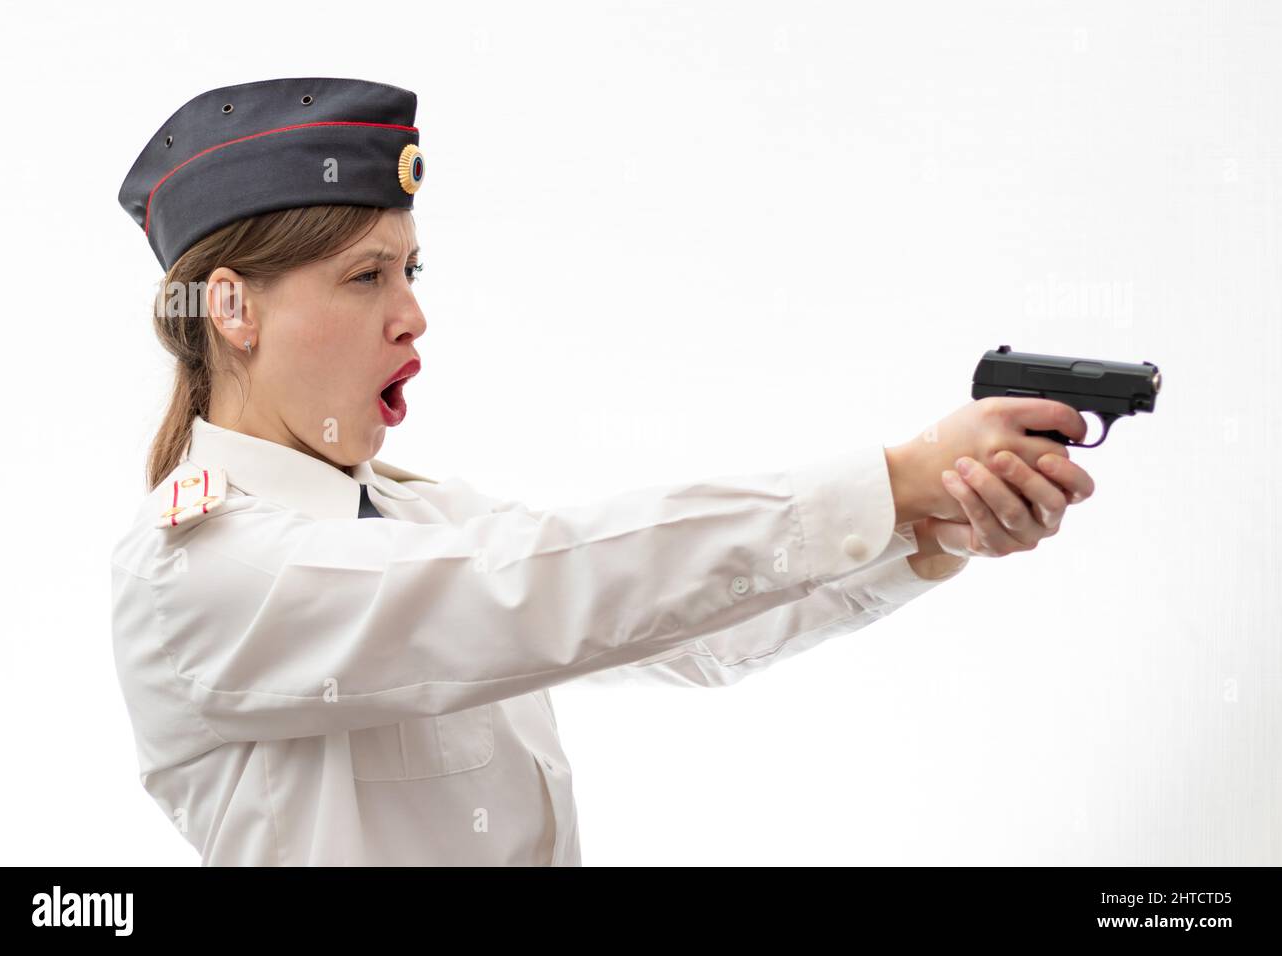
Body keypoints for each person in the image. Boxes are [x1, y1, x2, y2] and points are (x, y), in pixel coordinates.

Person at [110, 77, 1096, 866]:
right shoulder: (195, 568)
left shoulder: (418, 516)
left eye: (412, 273)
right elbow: (545, 584)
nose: (411, 315)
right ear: (233, 310)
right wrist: (892, 475)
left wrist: (930, 528)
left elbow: (685, 629)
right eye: (367, 276)